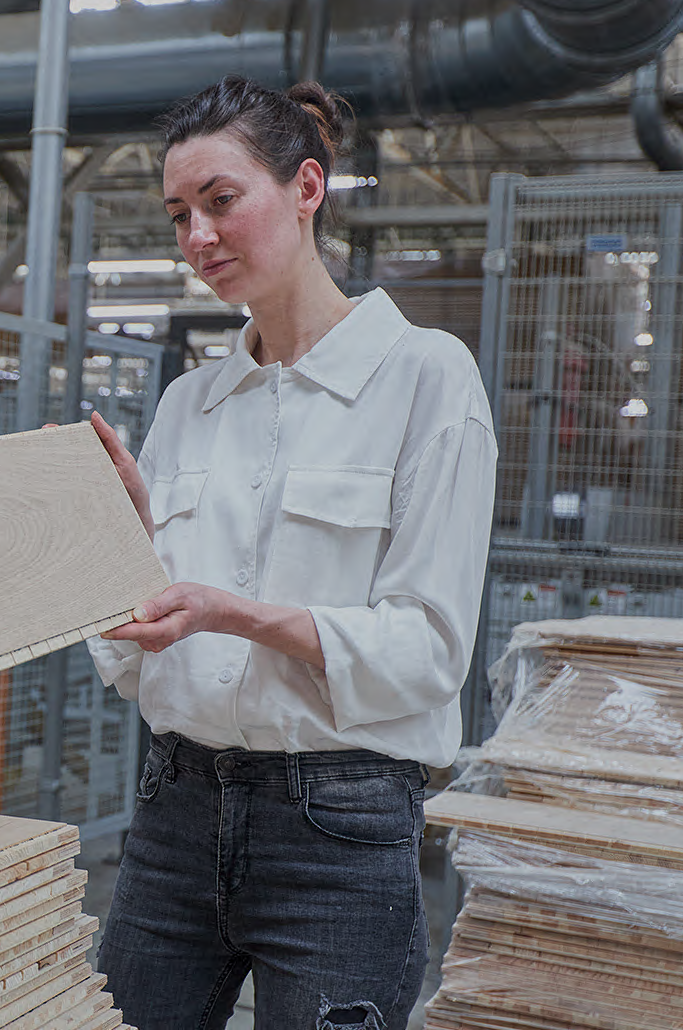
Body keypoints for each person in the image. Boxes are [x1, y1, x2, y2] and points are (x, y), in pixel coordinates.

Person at [83, 76, 497, 1030]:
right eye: (179, 214)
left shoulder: (424, 377)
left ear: (307, 187)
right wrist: (120, 547)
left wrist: (234, 614)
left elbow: (431, 651)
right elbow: (133, 650)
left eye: (222, 201)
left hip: (338, 831)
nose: (198, 238)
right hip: (175, 810)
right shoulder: (190, 404)